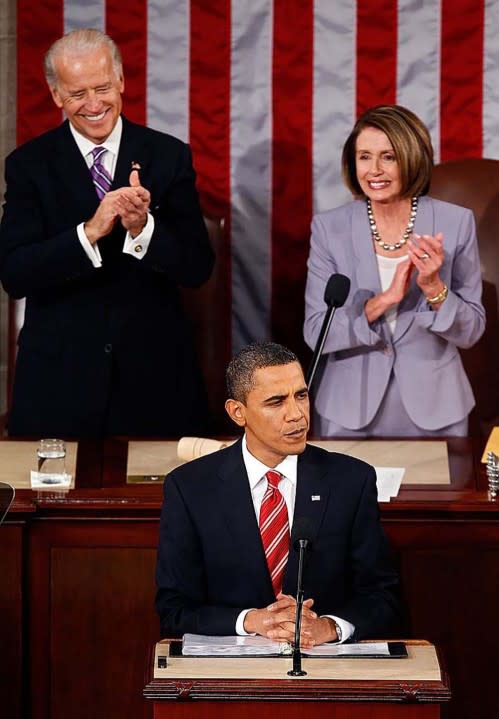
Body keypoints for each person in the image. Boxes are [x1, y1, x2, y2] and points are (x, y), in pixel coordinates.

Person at [0, 28, 214, 437]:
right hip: (58, 388)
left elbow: (197, 267)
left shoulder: (167, 155)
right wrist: (89, 232)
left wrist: (142, 228)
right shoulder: (29, 165)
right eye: (77, 94)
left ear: (121, 81)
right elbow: (14, 273)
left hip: (156, 386)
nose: (94, 104)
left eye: (102, 87)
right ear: (55, 95)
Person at [155, 342, 400, 645]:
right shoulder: (190, 487)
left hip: (323, 666)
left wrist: (329, 627)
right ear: (237, 412)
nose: (297, 414)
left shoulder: (351, 480)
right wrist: (253, 621)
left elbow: (381, 597)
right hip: (231, 671)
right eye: (276, 402)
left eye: (301, 395)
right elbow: (173, 609)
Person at [304, 104, 485, 437]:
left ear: (411, 158)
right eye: (364, 157)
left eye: (388, 157)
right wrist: (382, 301)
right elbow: (316, 332)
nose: (374, 170)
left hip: (437, 411)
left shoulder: (455, 223)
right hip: (349, 410)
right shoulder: (330, 229)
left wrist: (433, 288)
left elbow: (471, 331)